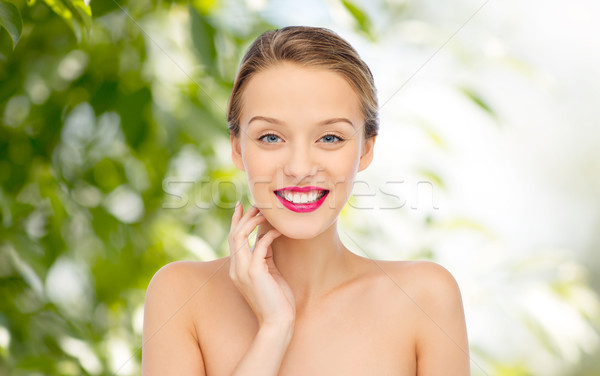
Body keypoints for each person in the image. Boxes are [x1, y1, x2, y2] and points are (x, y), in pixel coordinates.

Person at [142, 26, 470, 375]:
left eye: (330, 137)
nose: (299, 168)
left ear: (366, 149)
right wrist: (274, 329)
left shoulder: (425, 299)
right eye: (271, 137)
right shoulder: (180, 297)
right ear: (238, 148)